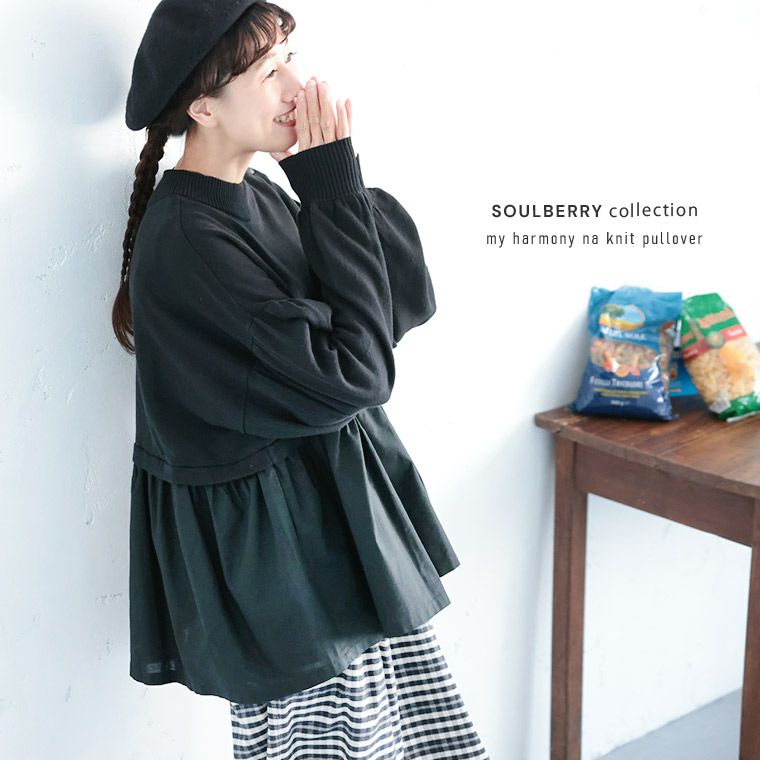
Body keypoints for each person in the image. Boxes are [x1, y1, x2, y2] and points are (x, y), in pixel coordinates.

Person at [116, 1, 491, 757]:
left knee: (401, 735)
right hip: (283, 563)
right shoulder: (191, 238)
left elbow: (398, 300)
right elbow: (359, 370)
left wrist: (330, 183)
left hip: (327, 522)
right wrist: (327, 192)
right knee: (337, 743)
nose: (298, 86)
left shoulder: (253, 193)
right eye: (268, 73)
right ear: (202, 107)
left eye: (292, 60)